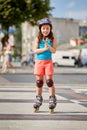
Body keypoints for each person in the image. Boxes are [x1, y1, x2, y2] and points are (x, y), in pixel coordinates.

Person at [33, 18, 57, 113]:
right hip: (39, 62)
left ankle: (52, 99)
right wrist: (44, 49)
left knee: (49, 81)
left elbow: (54, 51)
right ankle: (38, 99)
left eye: (47, 28)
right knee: (39, 82)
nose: (45, 30)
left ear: (50, 29)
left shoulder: (52, 38)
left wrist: (48, 46)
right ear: (40, 29)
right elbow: (35, 51)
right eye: (43, 28)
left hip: (48, 62)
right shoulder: (38, 39)